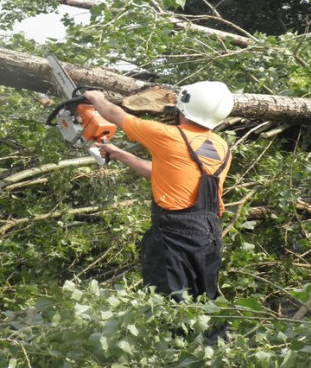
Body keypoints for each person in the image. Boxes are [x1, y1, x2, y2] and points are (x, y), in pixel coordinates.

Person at [83, 81, 234, 342]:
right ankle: (214, 354)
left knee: (169, 307)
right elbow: (166, 174)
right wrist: (122, 155)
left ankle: (172, 355)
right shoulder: (221, 146)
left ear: (183, 106)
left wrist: (94, 97)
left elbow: (116, 115)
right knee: (206, 302)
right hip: (209, 235)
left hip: (174, 238)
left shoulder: (169, 135)